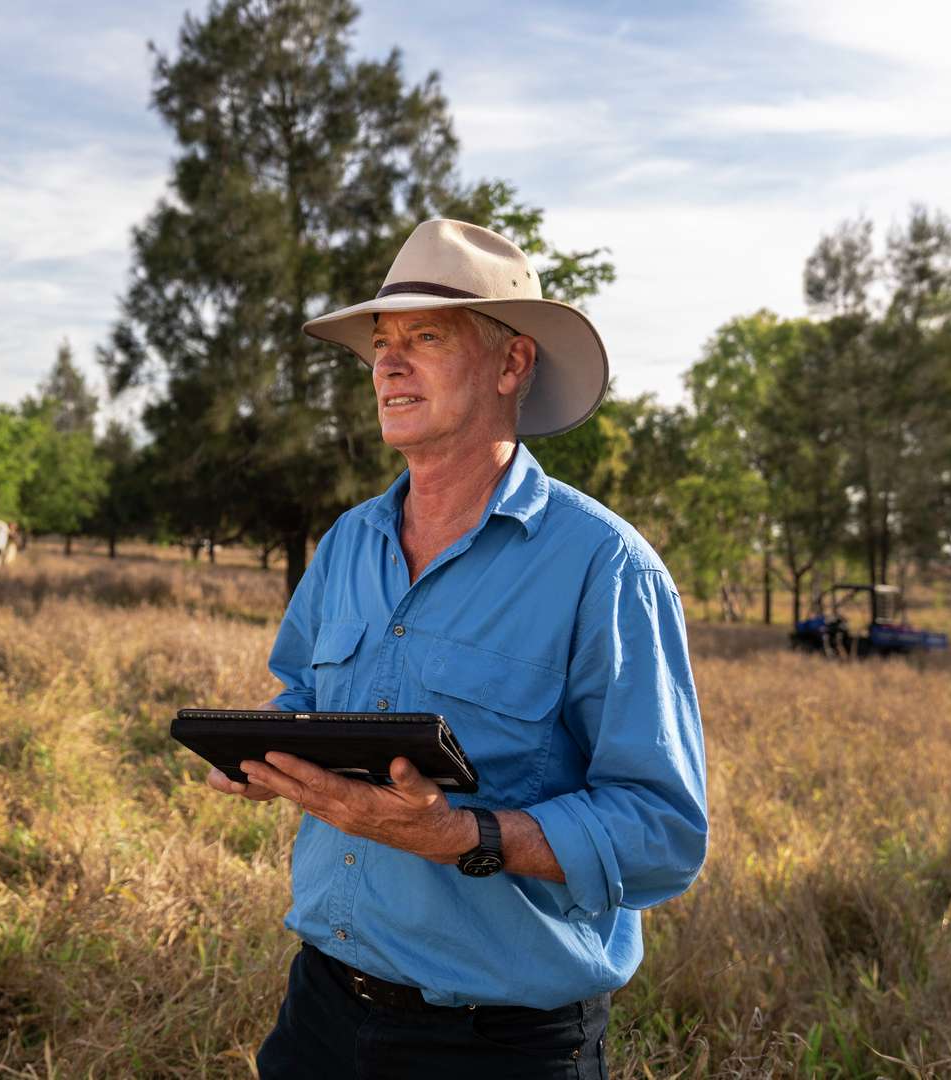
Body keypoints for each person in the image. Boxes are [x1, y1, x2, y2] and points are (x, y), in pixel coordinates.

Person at [207, 219, 708, 1078]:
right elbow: (297, 694)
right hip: (322, 1013)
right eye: (381, 343)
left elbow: (662, 831)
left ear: (513, 364)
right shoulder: (350, 544)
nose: (387, 366)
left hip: (499, 1045)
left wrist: (464, 835)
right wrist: (267, 750)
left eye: (425, 338)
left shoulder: (603, 566)